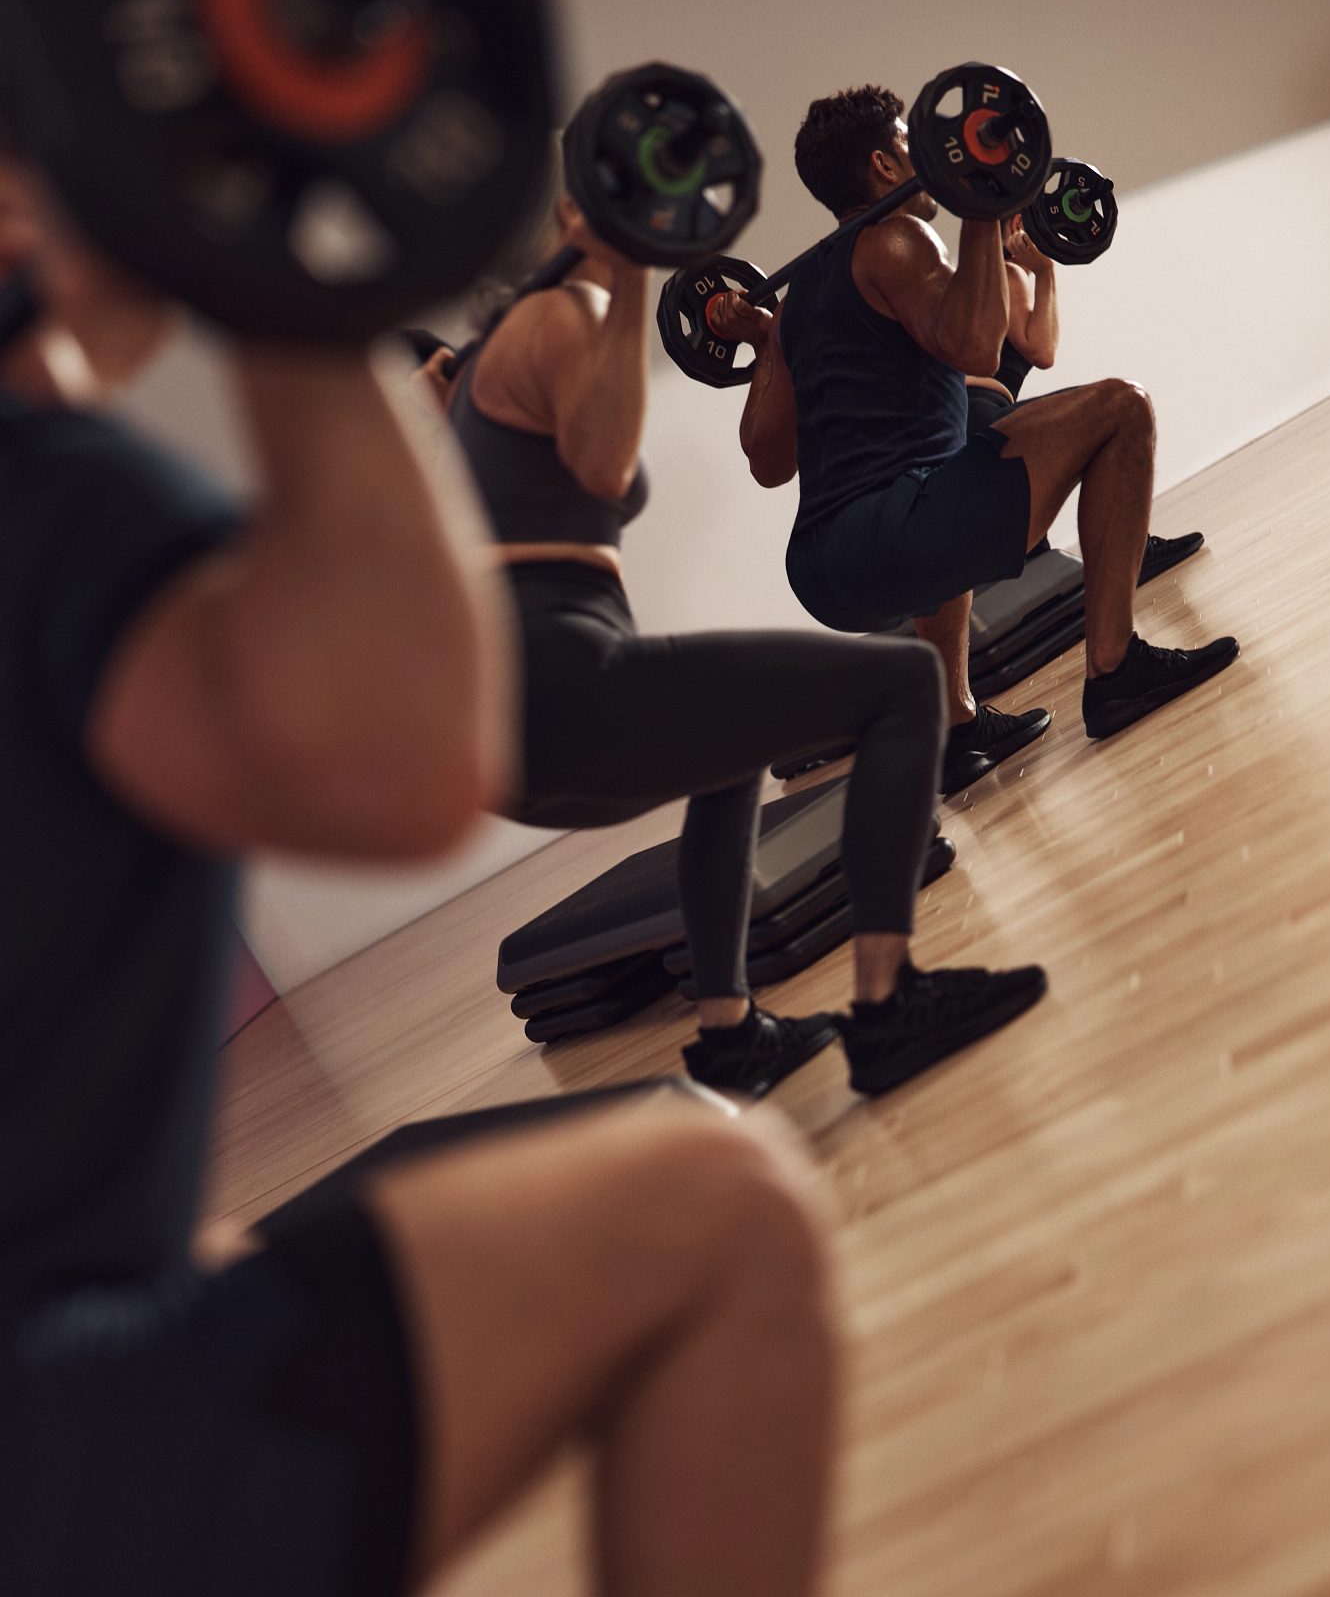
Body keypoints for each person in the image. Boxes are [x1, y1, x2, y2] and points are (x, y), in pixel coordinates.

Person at [0, 114, 855, 1597]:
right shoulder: (46, 496)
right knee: (725, 1211)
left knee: (205, 1265)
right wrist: (300, 284)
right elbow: (403, 757)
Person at [413, 123, 1047, 1105]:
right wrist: (625, 280)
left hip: (504, 727)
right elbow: (607, 469)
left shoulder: (471, 375)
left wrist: (752, 338)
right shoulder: (557, 319)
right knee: (904, 679)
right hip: (566, 681)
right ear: (564, 217)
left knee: (732, 743)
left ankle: (728, 1034)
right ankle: (887, 1006)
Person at [717, 86, 1238, 750]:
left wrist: (763, 346)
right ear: (883, 165)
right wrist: (982, 204)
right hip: (898, 537)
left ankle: (957, 724)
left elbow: (768, 464)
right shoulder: (898, 239)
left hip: (823, 574)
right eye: (910, 140)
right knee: (1122, 407)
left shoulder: (794, 305)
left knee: (941, 486)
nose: (923, 151)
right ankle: (1117, 669)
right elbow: (974, 347)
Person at [962, 213, 1204, 589]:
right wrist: (1045, 272)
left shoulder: (981, 283)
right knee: (1097, 435)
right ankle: (1133, 554)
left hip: (972, 417)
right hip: (983, 412)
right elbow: (1043, 350)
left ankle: (1103, 572)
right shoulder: (1009, 276)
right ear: (1017, 225)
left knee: (1028, 541)